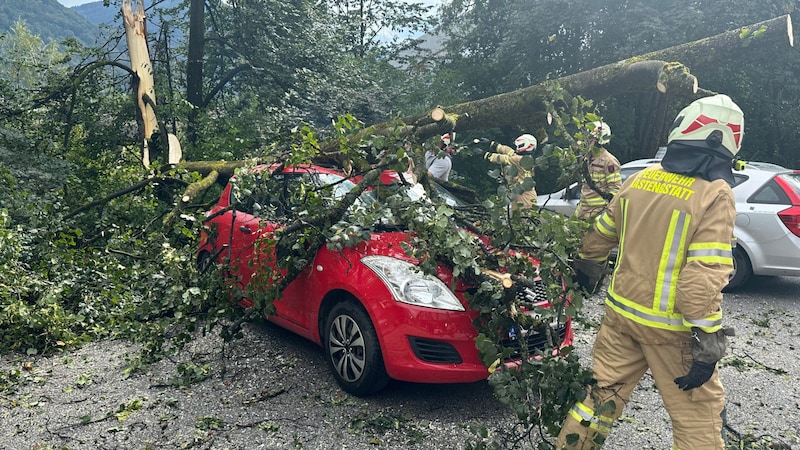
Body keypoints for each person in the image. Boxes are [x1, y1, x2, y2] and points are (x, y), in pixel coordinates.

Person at [557, 94, 743, 449]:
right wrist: (709, 340)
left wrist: (586, 273)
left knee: (597, 403)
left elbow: (597, 239)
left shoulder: (640, 179)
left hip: (621, 318)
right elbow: (703, 275)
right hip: (673, 330)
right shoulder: (715, 192)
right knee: (697, 419)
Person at [475, 134, 538, 211]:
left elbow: (502, 158)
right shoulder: (526, 158)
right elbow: (510, 152)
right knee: (515, 219)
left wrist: (484, 154)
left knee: (521, 219)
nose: (517, 147)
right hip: (522, 194)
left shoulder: (519, 159)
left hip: (524, 196)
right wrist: (492, 144)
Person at [575, 121, 622, 220]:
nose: (587, 141)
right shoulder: (586, 159)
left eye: (591, 139)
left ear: (599, 141)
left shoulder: (609, 161)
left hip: (598, 216)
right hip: (582, 214)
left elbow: (615, 191)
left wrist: (605, 214)